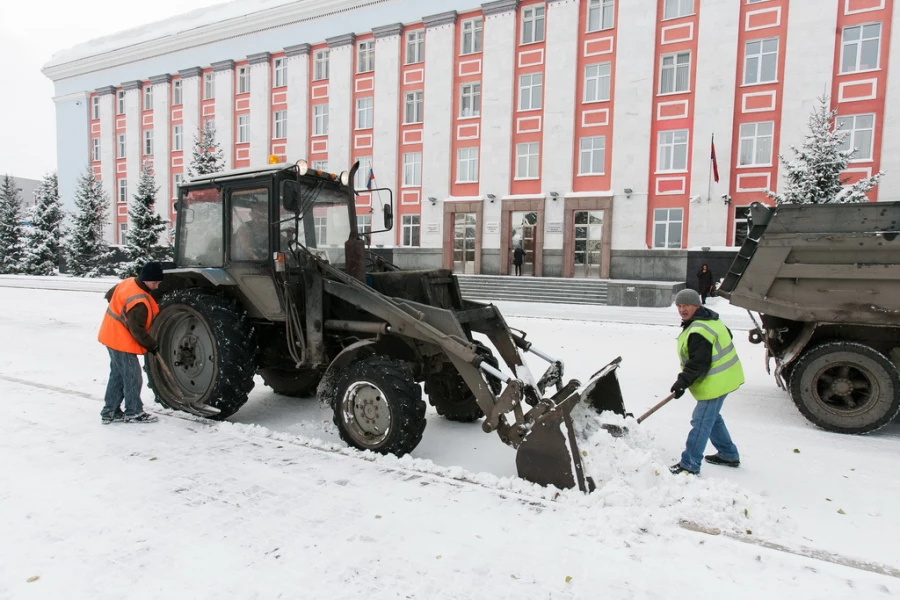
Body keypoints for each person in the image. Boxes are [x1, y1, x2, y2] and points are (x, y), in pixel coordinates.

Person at [668, 288, 744, 475]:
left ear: (697, 305)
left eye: (687, 305)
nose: (682, 309)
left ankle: (690, 463)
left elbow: (697, 364)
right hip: (725, 377)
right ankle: (728, 453)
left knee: (701, 420)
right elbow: (727, 336)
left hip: (716, 382)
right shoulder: (710, 319)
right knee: (712, 418)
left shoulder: (699, 330)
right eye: (679, 305)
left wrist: (682, 383)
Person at [96, 262, 164, 424]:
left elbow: (109, 295)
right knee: (132, 376)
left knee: (118, 375)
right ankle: (134, 412)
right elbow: (137, 330)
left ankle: (110, 411)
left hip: (110, 334)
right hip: (120, 340)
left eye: (158, 283)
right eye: (154, 283)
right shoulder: (139, 302)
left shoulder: (129, 283)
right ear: (145, 280)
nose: (156, 287)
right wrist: (152, 345)